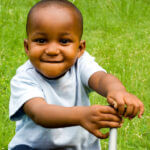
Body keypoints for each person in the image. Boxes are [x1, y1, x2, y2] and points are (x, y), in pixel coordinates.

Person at [9, 0, 144, 150]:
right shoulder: (24, 78)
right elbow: (39, 112)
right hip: (34, 147)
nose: (52, 50)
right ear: (27, 47)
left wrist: (117, 91)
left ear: (80, 49)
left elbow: (100, 79)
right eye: (41, 41)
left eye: (64, 41)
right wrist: (81, 116)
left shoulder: (80, 63)